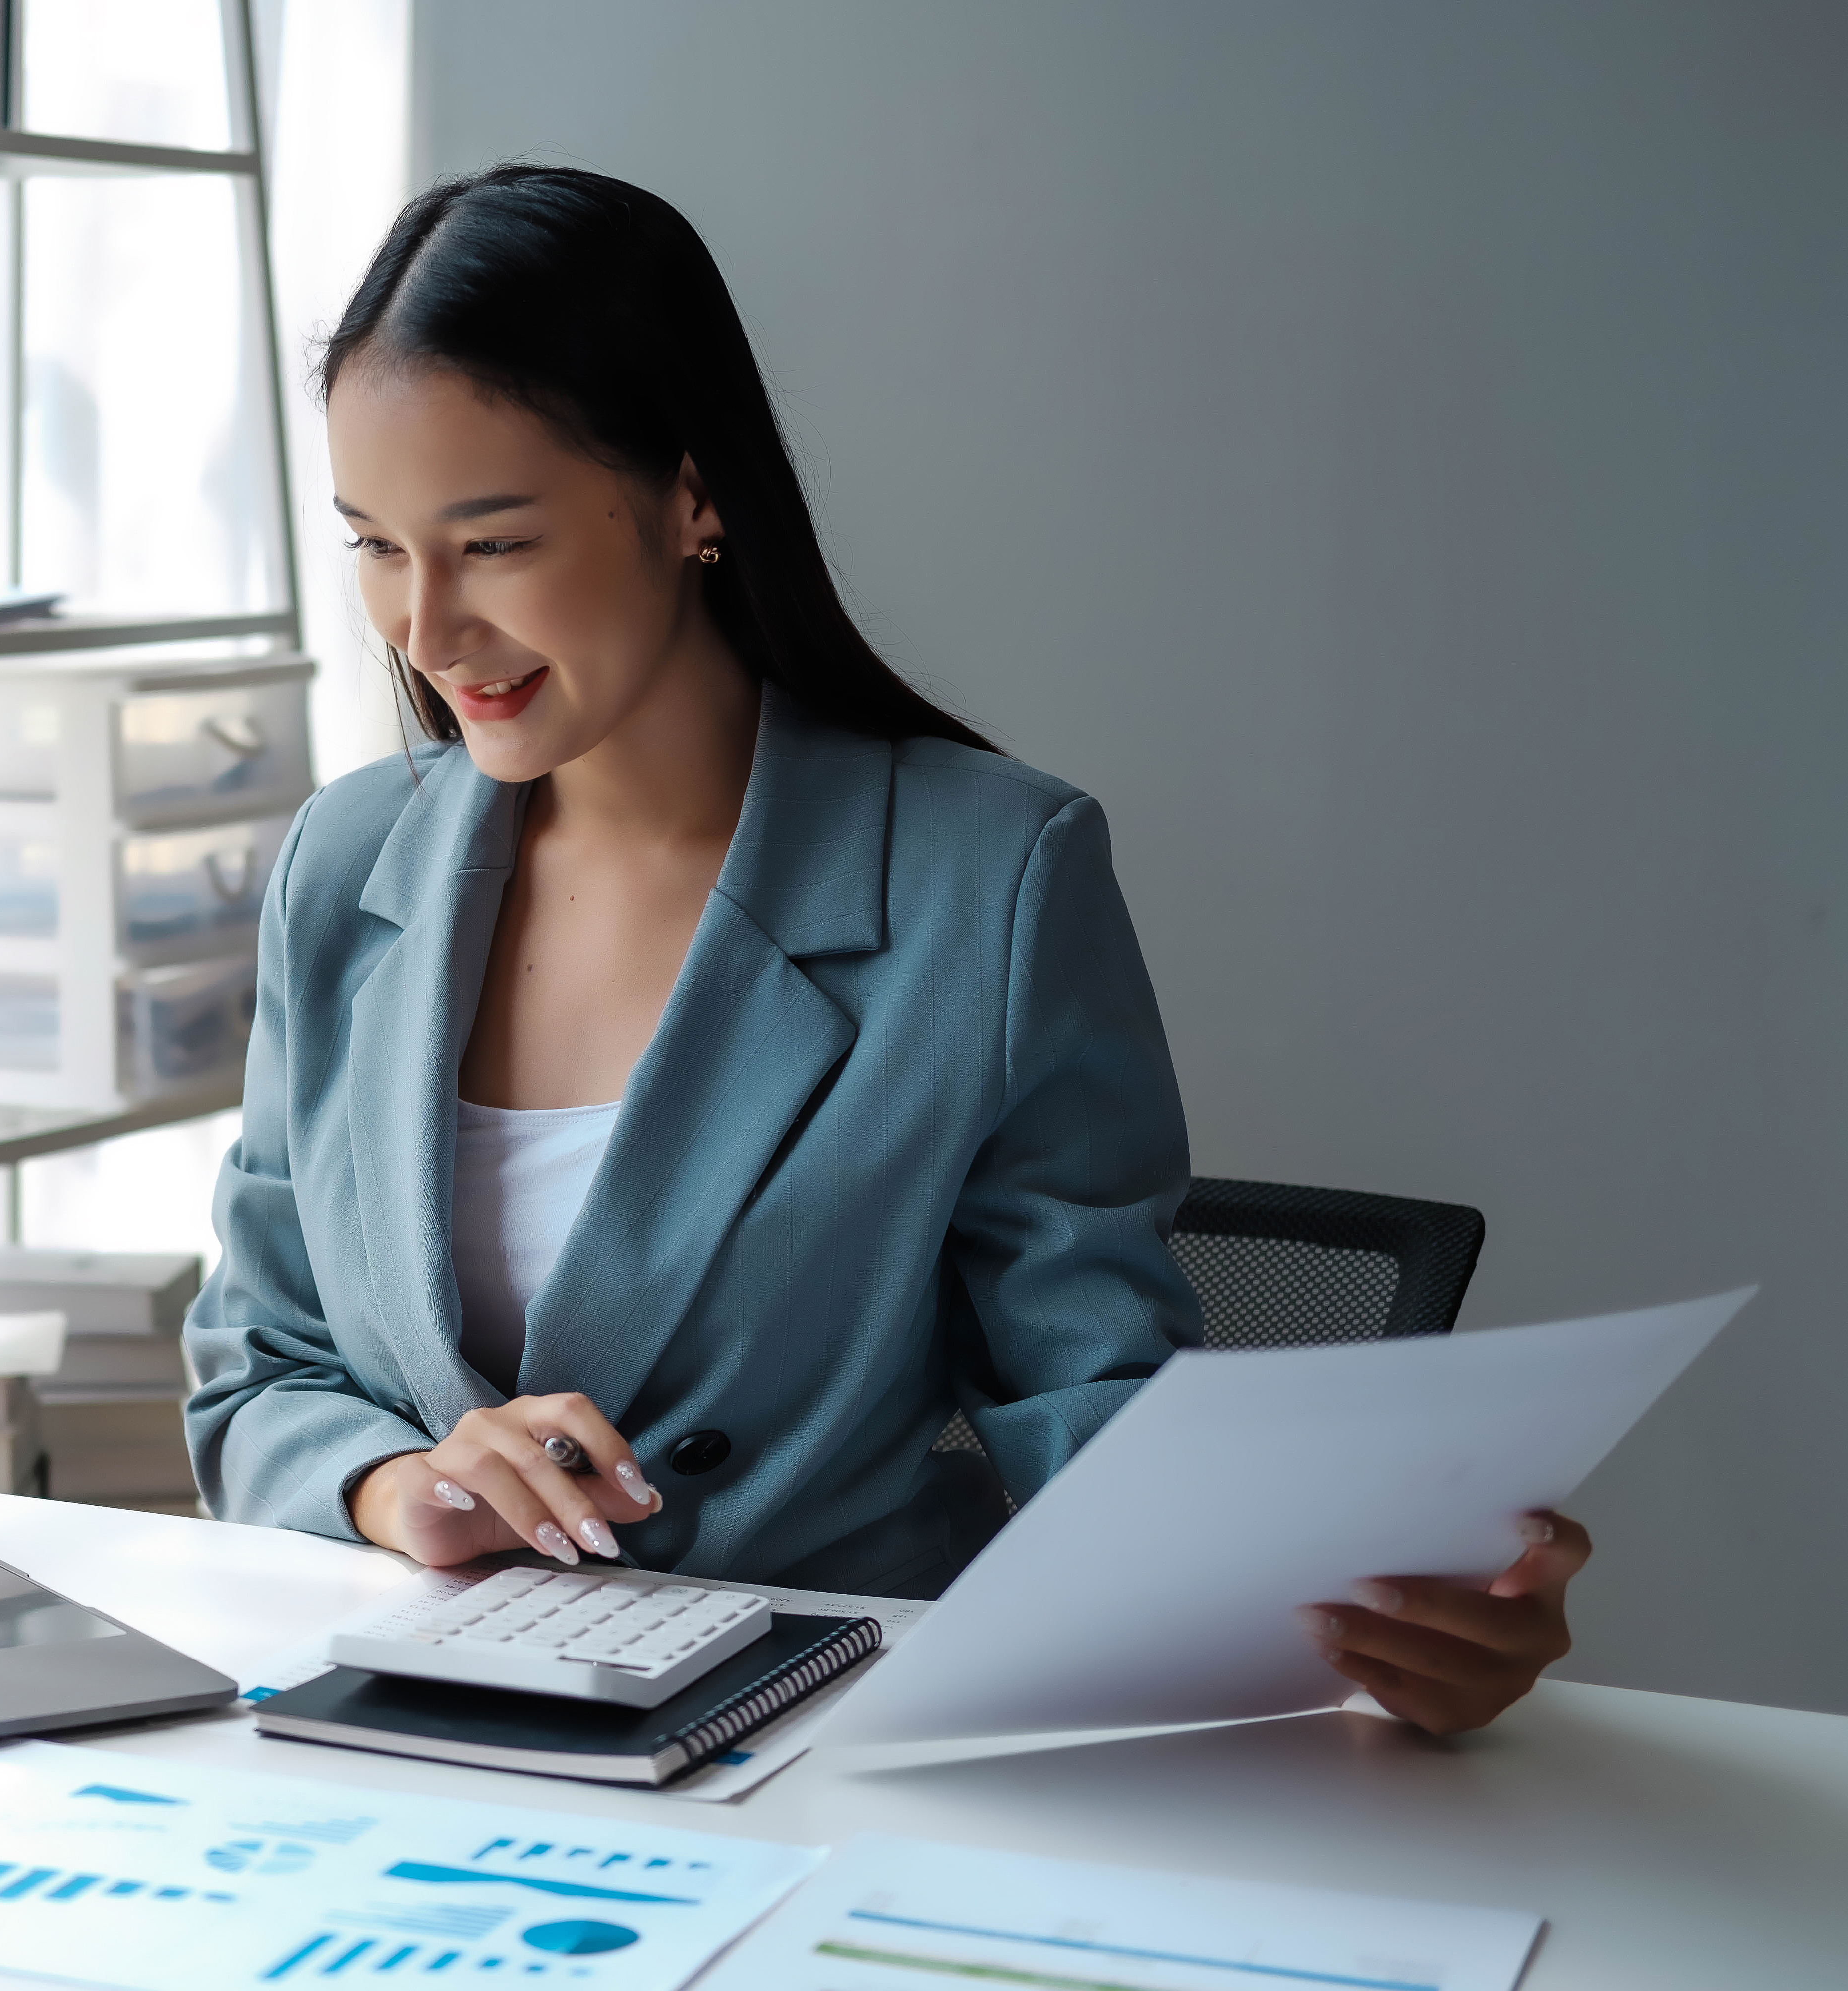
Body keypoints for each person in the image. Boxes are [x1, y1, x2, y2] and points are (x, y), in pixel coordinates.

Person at [178, 166, 1577, 1735]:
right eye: (378, 545)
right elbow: (260, 1365)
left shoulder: (990, 871)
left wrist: (1380, 1583)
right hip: (414, 1715)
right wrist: (395, 1488)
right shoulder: (350, 858)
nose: (423, 631)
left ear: (695, 498)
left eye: (492, 544)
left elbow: (1089, 1396)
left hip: (820, 1730)